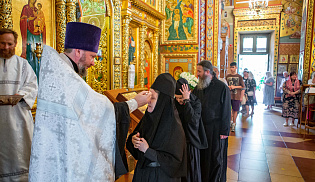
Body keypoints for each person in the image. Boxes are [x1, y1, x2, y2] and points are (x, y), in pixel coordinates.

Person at [29, 22, 150, 181]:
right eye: (92, 56)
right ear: (78, 51)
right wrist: (135, 102)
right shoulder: (65, 76)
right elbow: (102, 111)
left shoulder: (59, 70)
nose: (93, 62)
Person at [126, 73, 187, 182]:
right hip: (142, 174)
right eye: (148, 97)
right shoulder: (148, 119)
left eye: (152, 98)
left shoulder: (175, 127)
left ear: (162, 102)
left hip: (161, 177)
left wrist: (147, 150)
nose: (147, 101)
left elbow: (174, 163)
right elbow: (134, 145)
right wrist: (134, 140)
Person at [0, 28, 38, 181]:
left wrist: (20, 95)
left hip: (18, 119)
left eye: (9, 44)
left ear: (15, 44)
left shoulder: (23, 64)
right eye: (2, 43)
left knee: (19, 153)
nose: (6, 47)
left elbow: (32, 85)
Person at [193, 60, 231, 182]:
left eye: (199, 71)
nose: (197, 74)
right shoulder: (199, 87)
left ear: (207, 72)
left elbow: (226, 110)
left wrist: (224, 130)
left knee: (216, 159)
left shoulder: (222, 87)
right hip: (202, 128)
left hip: (217, 129)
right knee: (205, 157)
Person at [174, 78, 208, 182]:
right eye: (178, 98)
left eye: (181, 98)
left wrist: (187, 101)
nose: (180, 101)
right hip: (176, 144)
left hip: (190, 143)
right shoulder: (173, 102)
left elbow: (192, 121)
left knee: (191, 173)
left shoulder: (195, 102)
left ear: (188, 93)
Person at [226, 62, 244, 132]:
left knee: (235, 110)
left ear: (236, 67)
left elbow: (242, 86)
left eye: (233, 67)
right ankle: (230, 121)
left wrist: (234, 87)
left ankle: (234, 123)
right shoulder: (227, 76)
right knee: (229, 109)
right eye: (230, 67)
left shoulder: (239, 77)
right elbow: (225, 84)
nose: (231, 69)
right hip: (228, 95)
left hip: (236, 95)